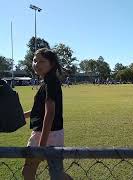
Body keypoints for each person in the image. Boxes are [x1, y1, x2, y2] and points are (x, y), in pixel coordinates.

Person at [22, 48, 72, 180]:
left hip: (50, 134)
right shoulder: (46, 82)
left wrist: (41, 147)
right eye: (34, 60)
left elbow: (49, 113)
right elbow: (39, 110)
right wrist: (22, 116)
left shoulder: (51, 82)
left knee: (55, 174)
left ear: (52, 64)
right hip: (44, 133)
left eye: (41, 61)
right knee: (29, 172)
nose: (36, 64)